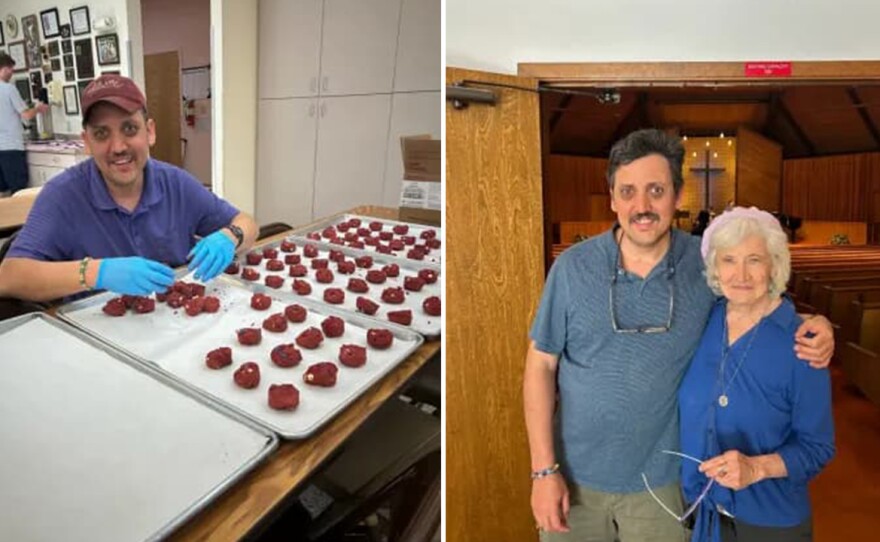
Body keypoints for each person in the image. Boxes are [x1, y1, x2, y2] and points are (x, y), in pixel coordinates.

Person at [524, 129, 833, 542]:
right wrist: (543, 471)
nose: (642, 206)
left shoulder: (703, 265)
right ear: (612, 197)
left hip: (663, 485)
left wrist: (817, 325)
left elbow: (753, 296)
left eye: (656, 190)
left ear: (677, 195)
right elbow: (540, 365)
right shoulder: (572, 268)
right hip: (574, 479)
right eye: (628, 191)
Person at [0, 74, 257, 301]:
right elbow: (9, 276)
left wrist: (229, 236)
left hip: (176, 321)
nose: (118, 147)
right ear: (86, 142)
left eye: (129, 129)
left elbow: (247, 223)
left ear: (150, 132)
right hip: (98, 335)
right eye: (102, 134)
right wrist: (95, 273)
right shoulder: (62, 196)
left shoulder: (176, 183)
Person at [678, 207, 834, 541]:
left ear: (775, 266)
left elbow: (818, 447)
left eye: (754, 260)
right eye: (729, 260)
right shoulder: (705, 320)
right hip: (705, 515)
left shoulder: (803, 343)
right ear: (715, 269)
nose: (741, 275)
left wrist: (757, 468)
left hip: (770, 523)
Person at [0, 52, 49, 194]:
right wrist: (39, 108)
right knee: (19, 191)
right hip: (12, 147)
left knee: (3, 191)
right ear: (4, 68)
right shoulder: (9, 89)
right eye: (11, 69)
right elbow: (26, 115)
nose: (12, 73)